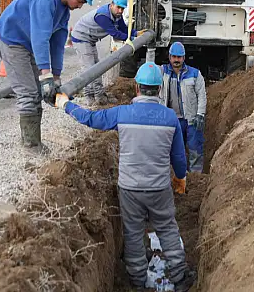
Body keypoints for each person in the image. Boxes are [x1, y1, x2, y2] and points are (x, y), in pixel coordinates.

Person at [54, 62, 195, 292]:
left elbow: (90, 119)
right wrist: (180, 178)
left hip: (129, 188)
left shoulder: (122, 114)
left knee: (133, 231)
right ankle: (180, 277)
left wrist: (65, 104)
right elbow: (179, 157)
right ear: (159, 89)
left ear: (137, 87)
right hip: (159, 188)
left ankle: (138, 280)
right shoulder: (170, 117)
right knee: (167, 228)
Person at [0, 0, 99, 154]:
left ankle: (32, 141)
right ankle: (31, 146)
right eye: (81, 1)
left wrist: (55, 78)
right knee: (28, 93)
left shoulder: (64, 11)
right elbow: (40, 38)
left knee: (38, 92)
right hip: (12, 41)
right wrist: (45, 74)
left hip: (26, 43)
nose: (80, 6)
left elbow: (57, 45)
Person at [70, 0, 143, 106]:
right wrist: (132, 38)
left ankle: (99, 95)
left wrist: (136, 33)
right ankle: (90, 96)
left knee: (96, 67)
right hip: (81, 38)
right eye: (118, 7)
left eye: (122, 9)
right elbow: (115, 33)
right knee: (90, 69)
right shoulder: (103, 16)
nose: (120, 11)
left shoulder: (116, 15)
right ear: (112, 4)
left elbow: (123, 28)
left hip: (90, 39)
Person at [160, 42, 207, 173]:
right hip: (172, 120)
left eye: (179, 57)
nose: (176, 60)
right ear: (169, 57)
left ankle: (196, 177)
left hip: (191, 119)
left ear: (184, 57)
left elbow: (202, 96)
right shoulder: (162, 72)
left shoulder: (195, 74)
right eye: (174, 57)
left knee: (195, 148)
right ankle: (177, 174)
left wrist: (200, 114)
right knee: (175, 150)